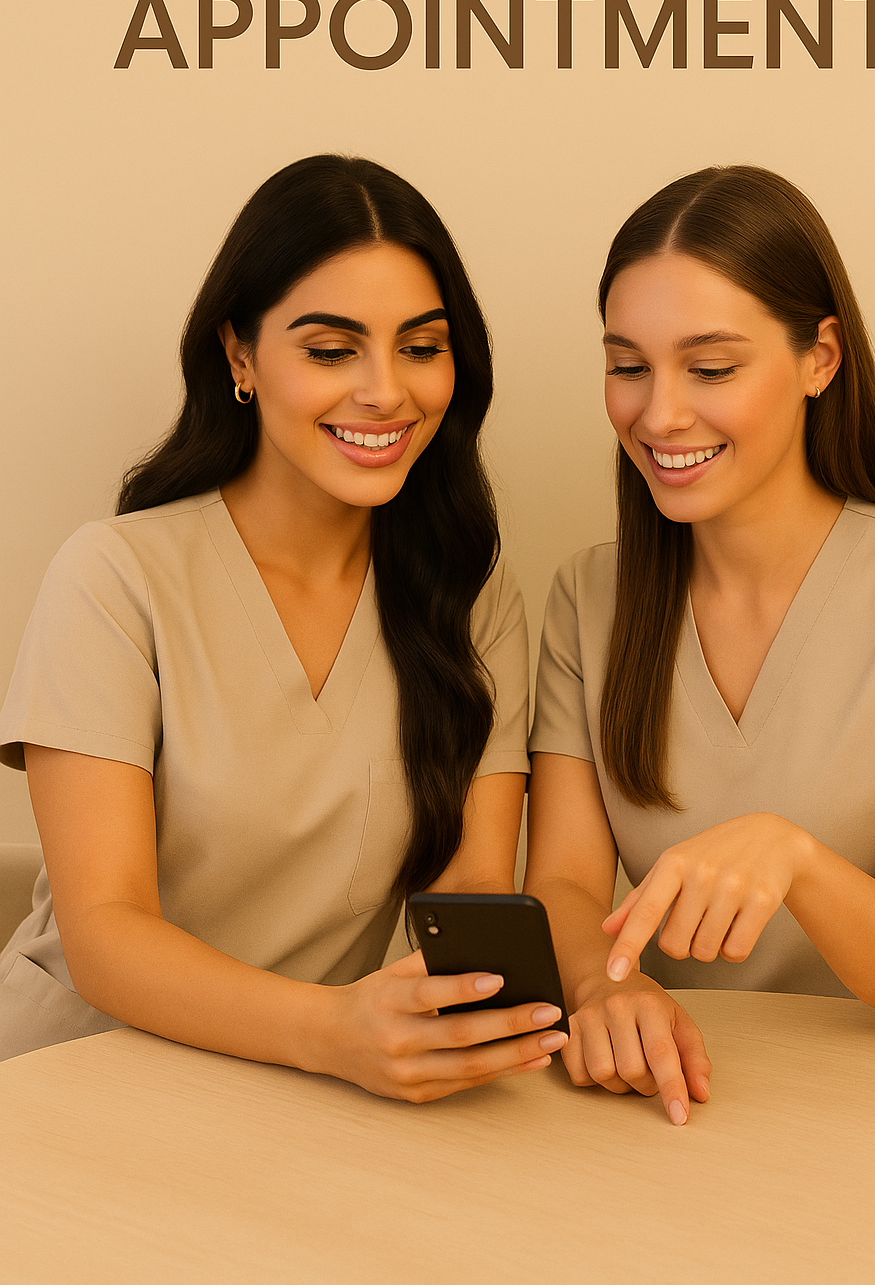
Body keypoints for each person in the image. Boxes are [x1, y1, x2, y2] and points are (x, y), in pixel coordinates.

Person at [0, 153, 568, 1096]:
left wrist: (455, 1016)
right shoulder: (114, 579)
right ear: (239, 356)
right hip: (73, 1084)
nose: (386, 392)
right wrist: (335, 1030)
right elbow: (103, 936)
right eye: (332, 349)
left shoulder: (472, 599)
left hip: (303, 1096)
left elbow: (471, 895)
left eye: (422, 348)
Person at [525, 165, 875, 1126]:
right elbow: (563, 884)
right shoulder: (590, 596)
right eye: (628, 366)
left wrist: (795, 857)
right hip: (683, 1104)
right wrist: (605, 990)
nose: (659, 413)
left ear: (819, 358)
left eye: (710, 369)